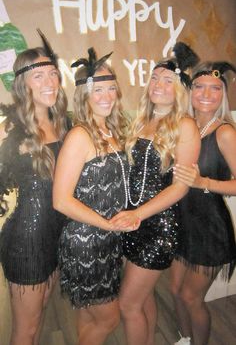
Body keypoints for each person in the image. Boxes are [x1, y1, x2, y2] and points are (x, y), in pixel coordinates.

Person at [110, 42, 201, 345]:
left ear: (179, 89)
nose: (159, 85)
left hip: (157, 226)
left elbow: (179, 187)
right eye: (155, 78)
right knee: (144, 298)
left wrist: (137, 214)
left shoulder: (184, 125)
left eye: (168, 80)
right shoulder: (141, 119)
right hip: (132, 220)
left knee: (128, 304)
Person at [53, 47, 137, 345]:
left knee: (90, 315)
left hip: (107, 239)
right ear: (83, 95)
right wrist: (108, 224)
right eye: (97, 90)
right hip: (85, 242)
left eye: (111, 89)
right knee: (109, 317)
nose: (106, 96)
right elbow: (61, 200)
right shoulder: (81, 135)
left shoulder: (112, 130)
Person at [0, 30, 69, 345]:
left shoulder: (63, 124)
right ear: (22, 84)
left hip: (56, 235)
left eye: (53, 74)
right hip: (26, 241)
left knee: (41, 313)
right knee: (24, 331)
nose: (50, 82)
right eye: (39, 75)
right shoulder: (10, 127)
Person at [170, 61, 236, 345]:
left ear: (223, 94)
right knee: (174, 289)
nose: (207, 94)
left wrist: (204, 183)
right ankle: (184, 339)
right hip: (182, 222)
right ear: (190, 90)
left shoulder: (224, 132)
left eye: (215, 88)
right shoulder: (183, 125)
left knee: (190, 296)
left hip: (210, 228)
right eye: (199, 86)